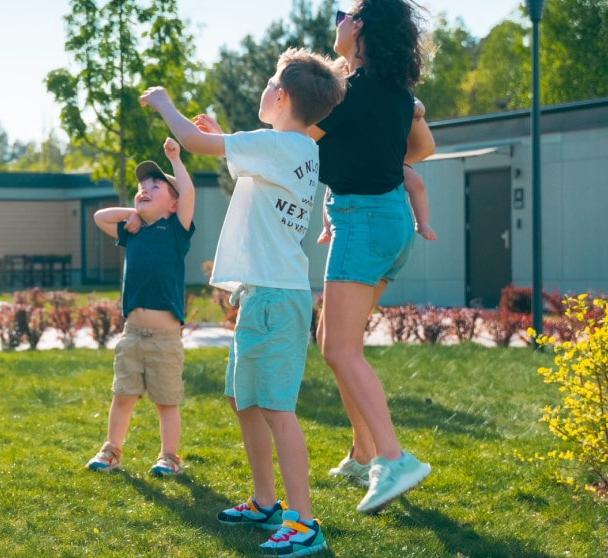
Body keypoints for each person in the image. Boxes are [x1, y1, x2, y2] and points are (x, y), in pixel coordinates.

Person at [142, 46, 345, 557]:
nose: (264, 86)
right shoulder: (294, 149)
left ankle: (303, 523)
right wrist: (221, 135)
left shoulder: (278, 146)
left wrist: (166, 104)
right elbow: (253, 179)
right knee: (245, 400)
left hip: (277, 297)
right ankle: (264, 502)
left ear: (280, 96)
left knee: (276, 409)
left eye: (270, 80)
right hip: (263, 293)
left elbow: (187, 141)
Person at [309, 0, 437, 515]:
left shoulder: (343, 96)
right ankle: (363, 452)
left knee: (340, 349)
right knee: (332, 341)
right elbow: (421, 151)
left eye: (345, 13)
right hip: (390, 222)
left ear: (358, 27)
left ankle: (393, 457)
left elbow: (291, 143)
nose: (337, 21)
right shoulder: (399, 94)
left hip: (361, 223)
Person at [85, 138, 196, 478]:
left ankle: (169, 457)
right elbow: (99, 216)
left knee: (166, 402)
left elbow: (189, 193)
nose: (144, 190)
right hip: (132, 334)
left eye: (155, 186)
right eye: (141, 187)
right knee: (122, 396)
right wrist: (132, 214)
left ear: (173, 205)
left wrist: (176, 161)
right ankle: (111, 450)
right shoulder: (133, 232)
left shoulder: (176, 230)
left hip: (165, 338)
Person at [317, 98, 436, 243]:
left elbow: (416, 103)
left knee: (415, 181)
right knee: (332, 186)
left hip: (390, 159)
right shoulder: (353, 97)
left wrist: (417, 107)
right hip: (354, 160)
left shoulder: (396, 93)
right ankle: (327, 228)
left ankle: (422, 222)